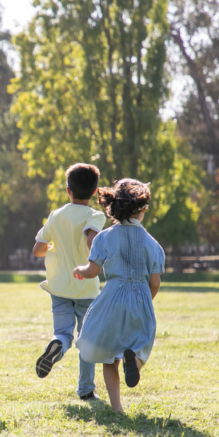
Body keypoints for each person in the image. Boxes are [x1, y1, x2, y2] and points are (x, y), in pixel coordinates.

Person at [72, 179, 165, 413]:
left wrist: (79, 270)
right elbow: (155, 282)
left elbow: (92, 271)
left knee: (108, 355)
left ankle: (117, 409)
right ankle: (135, 362)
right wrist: (146, 301)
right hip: (141, 297)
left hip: (112, 297)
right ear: (142, 209)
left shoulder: (104, 237)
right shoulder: (153, 244)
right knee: (141, 345)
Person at [32, 163, 107, 400]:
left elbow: (37, 250)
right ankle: (86, 390)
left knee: (63, 333)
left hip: (59, 287)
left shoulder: (56, 215)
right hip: (85, 287)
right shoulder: (96, 215)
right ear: (95, 192)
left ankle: (56, 345)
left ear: (68, 190)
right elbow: (91, 241)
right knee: (87, 339)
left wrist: (57, 247)